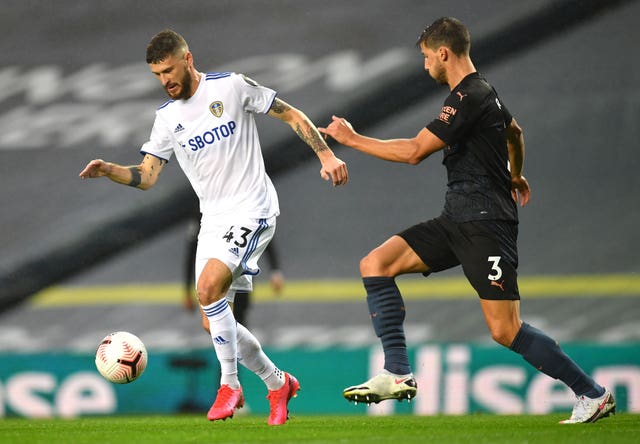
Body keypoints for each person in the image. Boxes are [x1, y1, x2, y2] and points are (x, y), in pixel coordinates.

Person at [318, 17, 614, 424]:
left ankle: (592, 394)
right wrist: (513, 173)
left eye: (426, 57)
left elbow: (414, 151)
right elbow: (515, 132)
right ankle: (397, 371)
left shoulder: (467, 95)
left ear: (443, 53)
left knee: (505, 330)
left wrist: (351, 140)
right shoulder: (486, 93)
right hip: (458, 218)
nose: (424, 66)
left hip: (485, 225)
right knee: (376, 264)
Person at [79, 29, 348, 426]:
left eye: (169, 70)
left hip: (253, 208)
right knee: (214, 319)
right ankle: (278, 383)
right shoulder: (167, 119)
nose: (165, 80)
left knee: (207, 290)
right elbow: (147, 175)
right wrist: (109, 171)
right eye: (157, 75)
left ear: (187, 59)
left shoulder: (233, 88)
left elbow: (289, 113)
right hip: (214, 220)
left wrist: (325, 155)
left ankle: (229, 385)